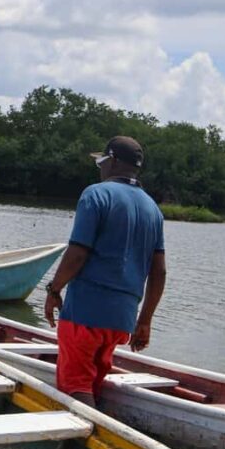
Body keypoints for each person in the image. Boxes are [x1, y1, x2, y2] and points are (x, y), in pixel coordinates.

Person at [44, 135, 166, 408]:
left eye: (101, 161)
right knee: (92, 380)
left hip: (85, 312)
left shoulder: (96, 194)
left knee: (75, 384)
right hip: (121, 320)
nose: (99, 167)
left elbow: (77, 254)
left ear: (111, 162)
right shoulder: (153, 209)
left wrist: (54, 290)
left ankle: (89, 442)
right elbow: (159, 273)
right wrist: (144, 320)